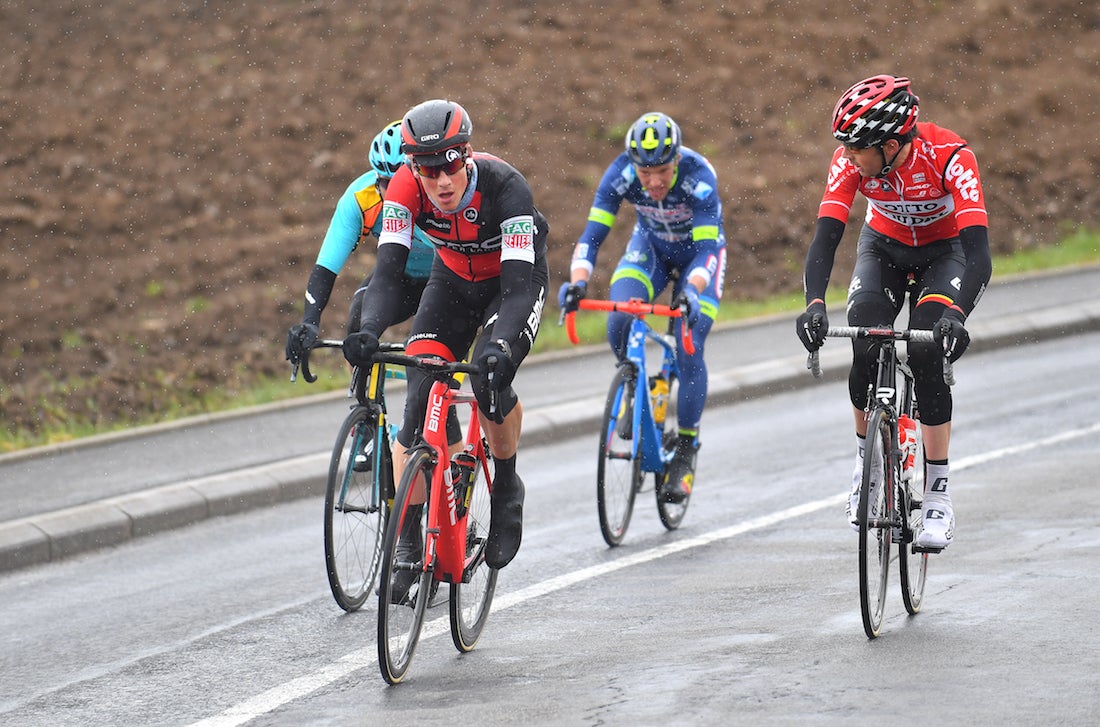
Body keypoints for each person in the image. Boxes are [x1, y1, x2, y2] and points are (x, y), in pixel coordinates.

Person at [343, 99, 549, 578]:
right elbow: (389, 276)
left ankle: (507, 486)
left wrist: (499, 346)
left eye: (451, 165)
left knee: (488, 383)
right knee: (417, 393)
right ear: (413, 168)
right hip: (452, 282)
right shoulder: (402, 191)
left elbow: (519, 286)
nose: (442, 182)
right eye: (428, 170)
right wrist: (369, 330)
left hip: (510, 283)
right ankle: (410, 539)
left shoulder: (507, 188)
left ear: (468, 155)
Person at [795, 74, 992, 550]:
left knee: (926, 352)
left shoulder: (950, 156)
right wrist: (814, 304)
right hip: (882, 248)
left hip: (945, 253)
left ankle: (938, 494)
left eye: (856, 148)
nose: (848, 157)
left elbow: (980, 254)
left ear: (890, 144)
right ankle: (867, 464)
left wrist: (958, 315)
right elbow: (826, 237)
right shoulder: (852, 162)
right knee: (866, 338)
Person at [559, 112, 726, 504]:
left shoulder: (699, 177)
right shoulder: (620, 173)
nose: (652, 181)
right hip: (650, 249)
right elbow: (592, 235)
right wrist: (578, 281)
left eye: (662, 171)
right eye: (645, 172)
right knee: (618, 316)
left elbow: (705, 251)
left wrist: (691, 293)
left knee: (687, 343)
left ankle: (685, 448)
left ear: (677, 161)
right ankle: (634, 387)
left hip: (698, 262)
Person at [284, 120, 436, 365]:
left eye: (402, 181)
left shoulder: (440, 196)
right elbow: (325, 268)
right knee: (359, 329)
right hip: (400, 278)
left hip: (446, 281)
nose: (395, 191)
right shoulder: (359, 199)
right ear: (376, 179)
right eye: (387, 183)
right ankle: (366, 399)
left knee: (424, 350)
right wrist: (309, 322)